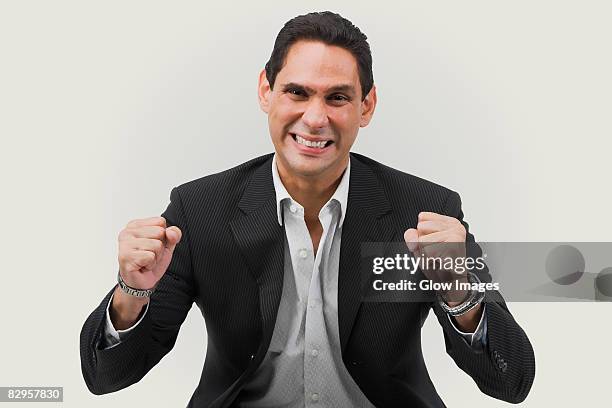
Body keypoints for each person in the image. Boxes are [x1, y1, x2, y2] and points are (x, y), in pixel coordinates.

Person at [80, 11, 535, 407]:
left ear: (366, 106)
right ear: (266, 91)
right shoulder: (200, 212)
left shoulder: (424, 212)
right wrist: (131, 293)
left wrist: (461, 295)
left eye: (337, 97)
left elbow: (512, 379)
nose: (315, 118)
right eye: (297, 92)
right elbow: (107, 377)